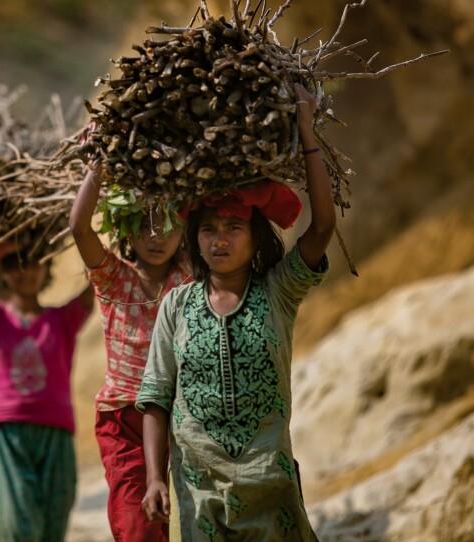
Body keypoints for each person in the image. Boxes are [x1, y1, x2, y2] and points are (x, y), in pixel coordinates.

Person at [137, 84, 335, 541]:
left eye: (232, 228)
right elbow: (155, 395)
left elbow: (322, 226)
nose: (218, 240)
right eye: (208, 230)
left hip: (270, 482)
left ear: (256, 236)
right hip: (198, 487)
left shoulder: (279, 292)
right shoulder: (177, 304)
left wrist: (306, 130)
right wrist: (153, 477)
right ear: (195, 239)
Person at [0, 185, 95, 542]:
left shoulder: (63, 318)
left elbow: (98, 278)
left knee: (53, 521)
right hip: (8, 432)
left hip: (56, 431)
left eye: (34, 264)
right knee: (18, 525)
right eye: (16, 265)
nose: (26, 272)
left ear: (45, 271)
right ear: (3, 275)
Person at [69, 160, 189, 541]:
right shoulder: (112, 277)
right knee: (137, 522)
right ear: (125, 226)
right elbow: (78, 227)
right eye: (145, 222)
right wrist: (97, 171)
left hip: (182, 415)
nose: (157, 235)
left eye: (169, 223)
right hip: (123, 420)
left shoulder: (189, 277)